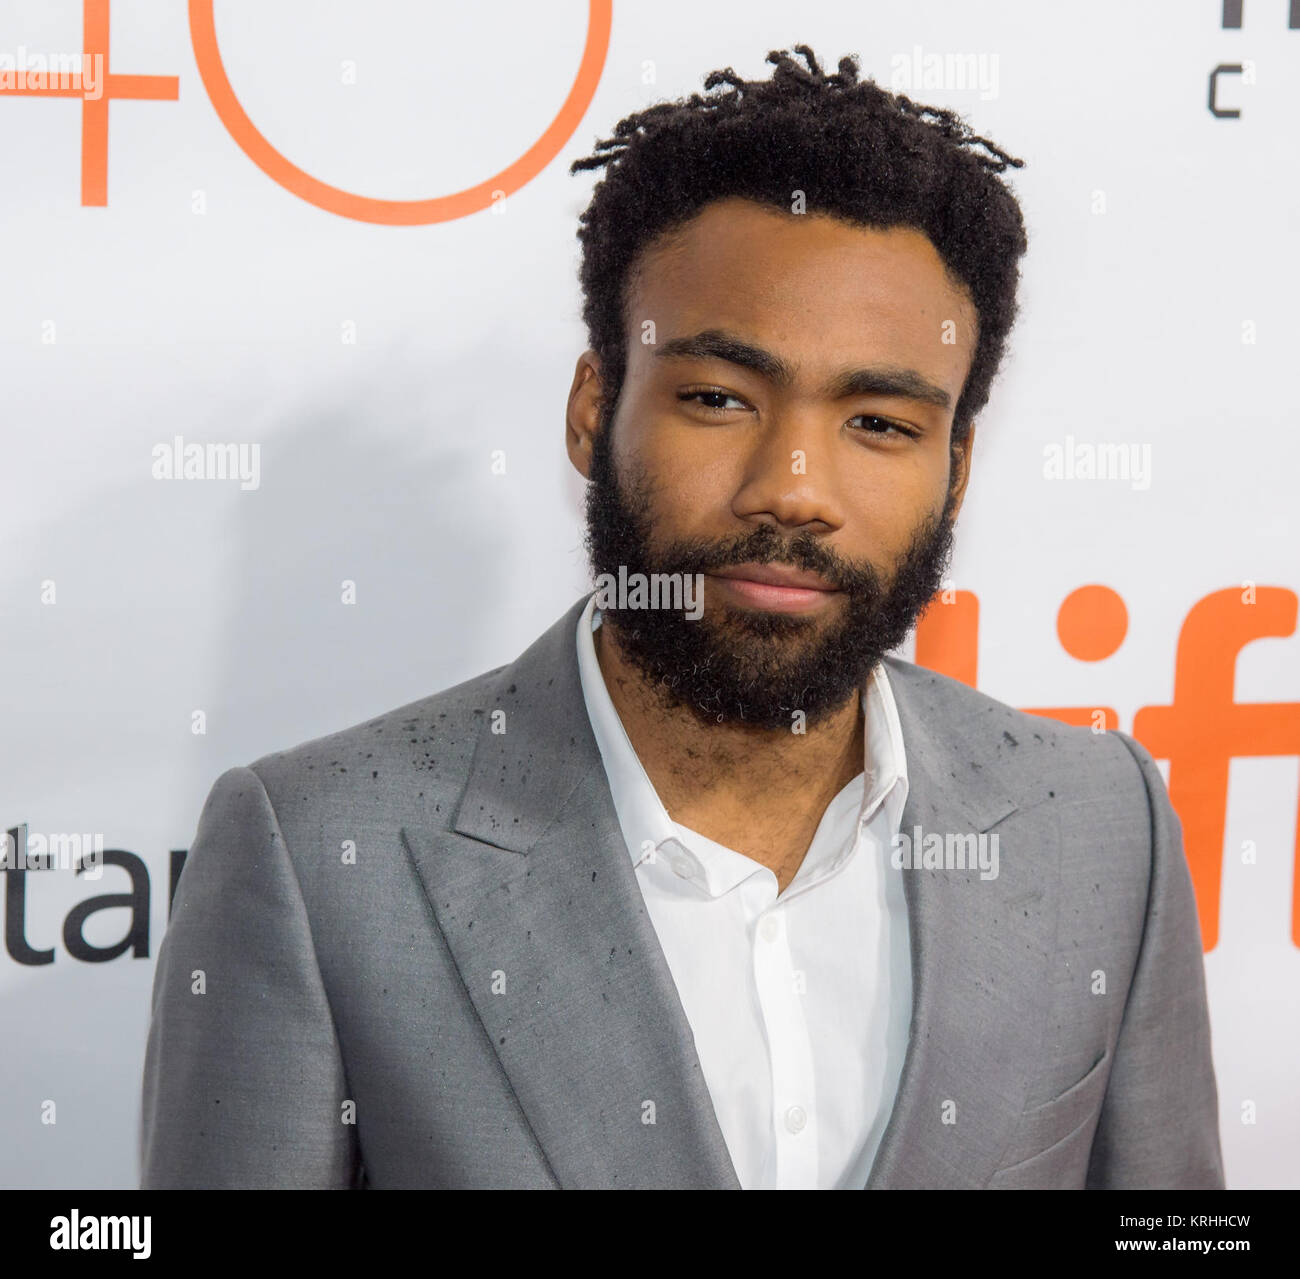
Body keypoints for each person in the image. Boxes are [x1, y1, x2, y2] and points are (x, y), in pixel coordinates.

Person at [140, 46, 1223, 1189]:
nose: (793, 485)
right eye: (718, 399)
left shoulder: (1102, 828)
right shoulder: (320, 858)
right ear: (592, 409)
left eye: (879, 424)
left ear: (956, 467)